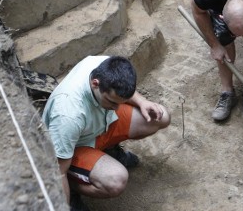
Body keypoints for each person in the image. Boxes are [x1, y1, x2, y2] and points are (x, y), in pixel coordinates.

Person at [43, 55, 170, 211]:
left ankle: (108, 150)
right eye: (112, 102)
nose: (117, 109)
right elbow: (58, 171)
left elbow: (122, 95)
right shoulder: (68, 114)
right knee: (116, 182)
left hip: (96, 126)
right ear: (95, 83)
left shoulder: (105, 65)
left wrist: (143, 102)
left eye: (121, 102)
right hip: (76, 144)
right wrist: (62, 205)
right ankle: (75, 184)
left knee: (161, 117)